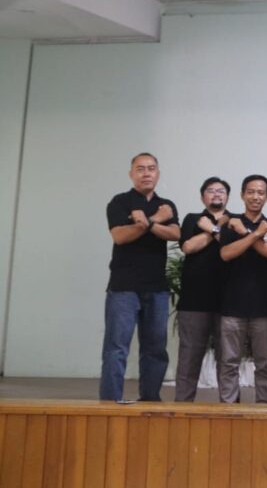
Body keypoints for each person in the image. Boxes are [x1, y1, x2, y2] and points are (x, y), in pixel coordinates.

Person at [101, 152, 180, 402]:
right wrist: (156, 220)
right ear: (131, 174)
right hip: (123, 287)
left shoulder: (166, 204)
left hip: (157, 287)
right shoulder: (120, 202)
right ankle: (110, 402)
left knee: (155, 349)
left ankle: (150, 400)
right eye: (141, 168)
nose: (146, 173)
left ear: (158, 173)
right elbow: (120, 237)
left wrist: (145, 223)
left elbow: (175, 234)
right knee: (116, 348)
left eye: (151, 168)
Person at [218, 174, 267, 404]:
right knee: (229, 362)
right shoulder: (230, 223)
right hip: (232, 304)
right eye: (251, 192)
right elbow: (226, 254)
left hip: (263, 305)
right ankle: (229, 407)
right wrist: (255, 234)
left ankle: (264, 407)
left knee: (263, 363)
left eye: (261, 192)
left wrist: (246, 234)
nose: (256, 196)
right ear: (242, 194)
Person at [174, 176, 231, 402]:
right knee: (189, 357)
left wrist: (213, 229)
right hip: (194, 301)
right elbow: (188, 247)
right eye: (211, 190)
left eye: (221, 191)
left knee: (227, 360)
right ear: (202, 197)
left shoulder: (236, 220)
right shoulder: (192, 219)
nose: (216, 194)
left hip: (228, 301)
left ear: (228, 197)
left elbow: (232, 246)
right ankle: (182, 406)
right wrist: (214, 230)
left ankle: (229, 408)